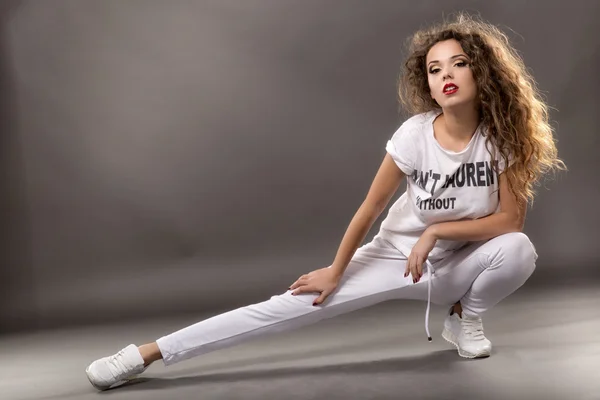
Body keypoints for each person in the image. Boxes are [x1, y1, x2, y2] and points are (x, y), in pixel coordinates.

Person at [85, 12, 565, 391]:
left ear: (482, 71)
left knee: (519, 249)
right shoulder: (416, 135)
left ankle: (465, 319)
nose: (446, 76)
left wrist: (437, 231)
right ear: (428, 83)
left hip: (461, 265)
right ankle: (148, 353)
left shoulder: (503, 137)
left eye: (458, 63)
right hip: (397, 260)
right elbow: (369, 209)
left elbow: (509, 220)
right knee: (282, 308)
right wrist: (337, 270)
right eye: (434, 68)